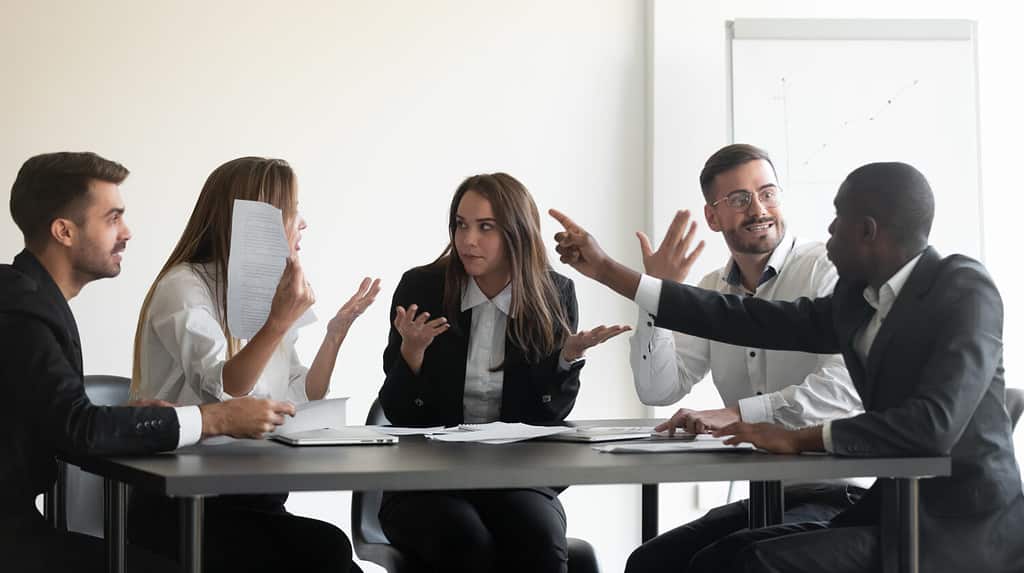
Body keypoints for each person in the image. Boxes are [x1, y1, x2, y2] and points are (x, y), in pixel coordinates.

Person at [551, 161, 1024, 572]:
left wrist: (798, 437)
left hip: (963, 527)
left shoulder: (964, 289)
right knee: (705, 557)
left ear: (869, 230)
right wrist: (609, 271)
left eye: (839, 217)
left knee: (754, 563)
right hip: (892, 508)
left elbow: (934, 425)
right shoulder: (856, 300)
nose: (829, 229)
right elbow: (745, 318)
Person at [1, 151, 297, 573]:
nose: (128, 232)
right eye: (113, 218)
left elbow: (60, 419)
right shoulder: (22, 308)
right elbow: (78, 429)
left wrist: (120, 417)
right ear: (64, 231)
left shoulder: (31, 300)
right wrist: (214, 419)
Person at [128, 157, 374, 572]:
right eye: (292, 210)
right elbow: (225, 392)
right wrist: (278, 322)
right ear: (255, 220)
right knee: (326, 552)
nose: (303, 223)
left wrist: (334, 335)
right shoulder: (184, 287)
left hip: (250, 493)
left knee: (328, 547)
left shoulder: (267, 289)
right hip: (184, 504)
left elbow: (301, 393)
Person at [625, 144, 863, 572]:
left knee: (723, 564)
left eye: (767, 193)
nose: (758, 209)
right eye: (739, 199)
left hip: (836, 494)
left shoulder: (825, 271)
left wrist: (739, 414)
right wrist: (655, 299)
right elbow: (658, 387)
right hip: (765, 496)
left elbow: (845, 390)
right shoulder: (712, 288)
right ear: (713, 217)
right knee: (650, 561)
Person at [377, 173, 629, 573]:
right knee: (465, 542)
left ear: (517, 233)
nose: (467, 240)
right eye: (461, 224)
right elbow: (401, 414)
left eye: (485, 227)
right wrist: (412, 353)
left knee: (539, 539)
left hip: (516, 476)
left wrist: (563, 359)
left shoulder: (553, 293)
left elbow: (545, 418)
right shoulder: (421, 288)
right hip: (426, 480)